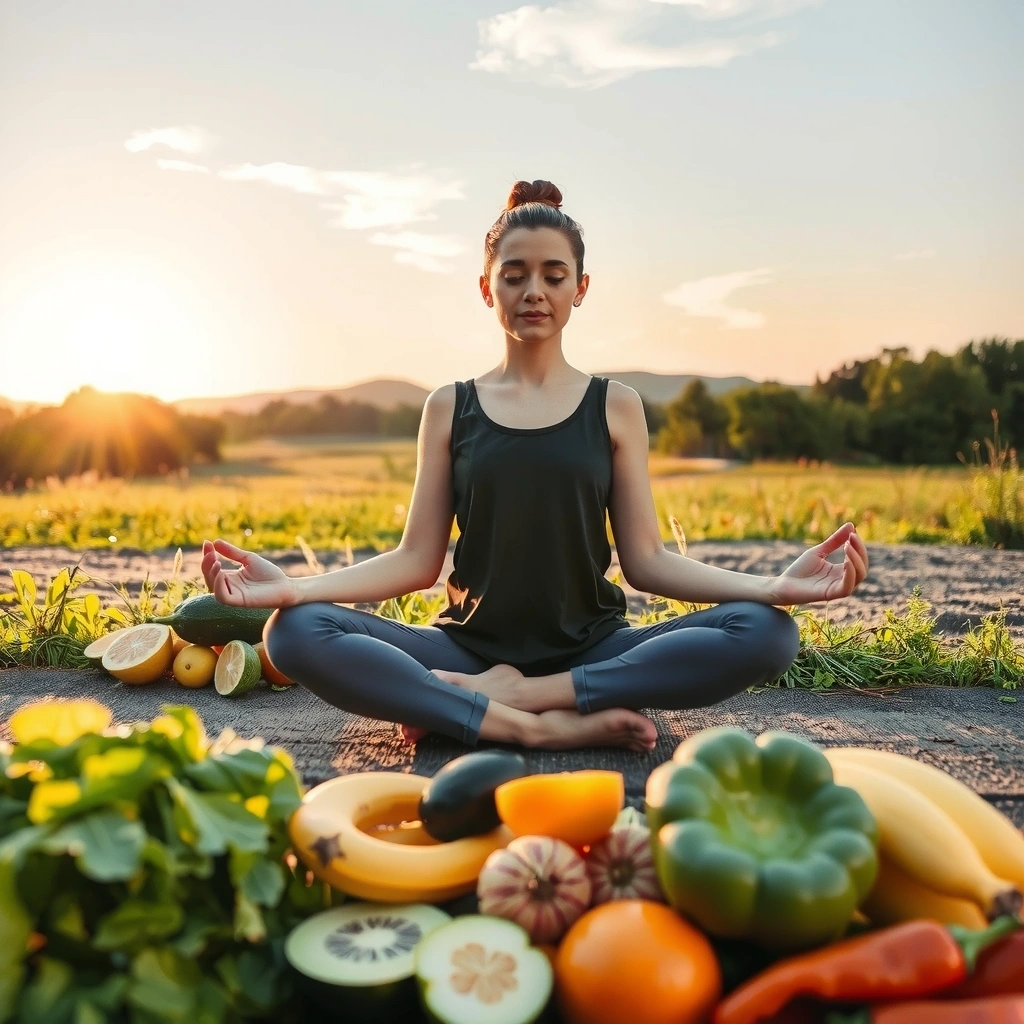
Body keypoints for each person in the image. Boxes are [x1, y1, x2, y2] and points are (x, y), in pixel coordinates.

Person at [201, 178, 869, 754]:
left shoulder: (617, 406)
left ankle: (507, 701)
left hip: (593, 651)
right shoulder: (449, 406)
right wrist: (293, 589)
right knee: (291, 634)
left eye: (553, 275)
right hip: (465, 651)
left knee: (767, 634)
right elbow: (415, 562)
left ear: (581, 288)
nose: (533, 291)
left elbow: (648, 563)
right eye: (514, 274)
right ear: (486, 287)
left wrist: (772, 588)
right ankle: (537, 729)